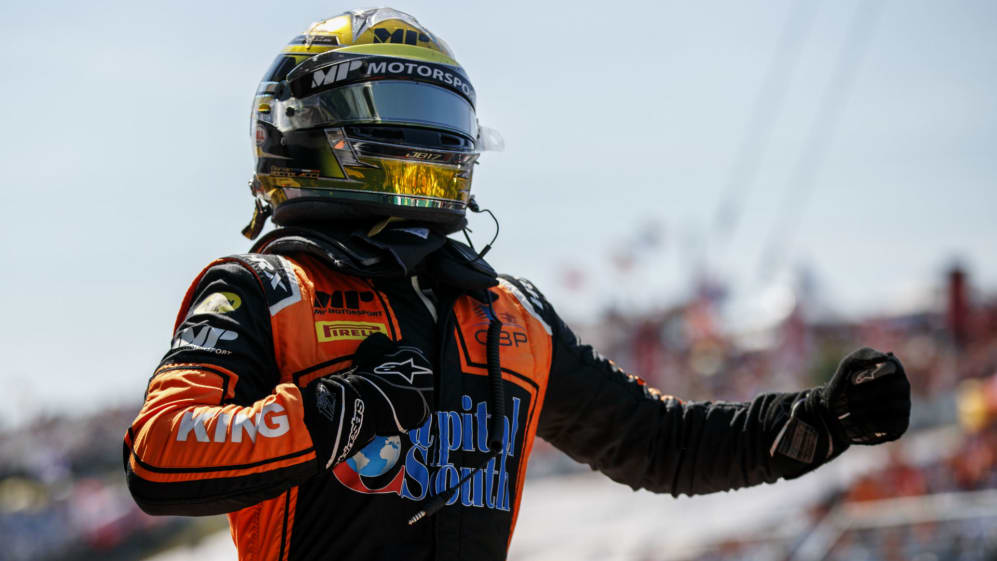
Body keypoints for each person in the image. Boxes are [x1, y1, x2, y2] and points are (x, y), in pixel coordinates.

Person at [122, 8, 911, 561]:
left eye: (441, 118)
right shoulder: (263, 290)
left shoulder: (509, 315)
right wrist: (335, 414)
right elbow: (158, 455)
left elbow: (661, 445)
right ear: (307, 129)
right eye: (399, 111)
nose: (428, 140)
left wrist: (820, 420)